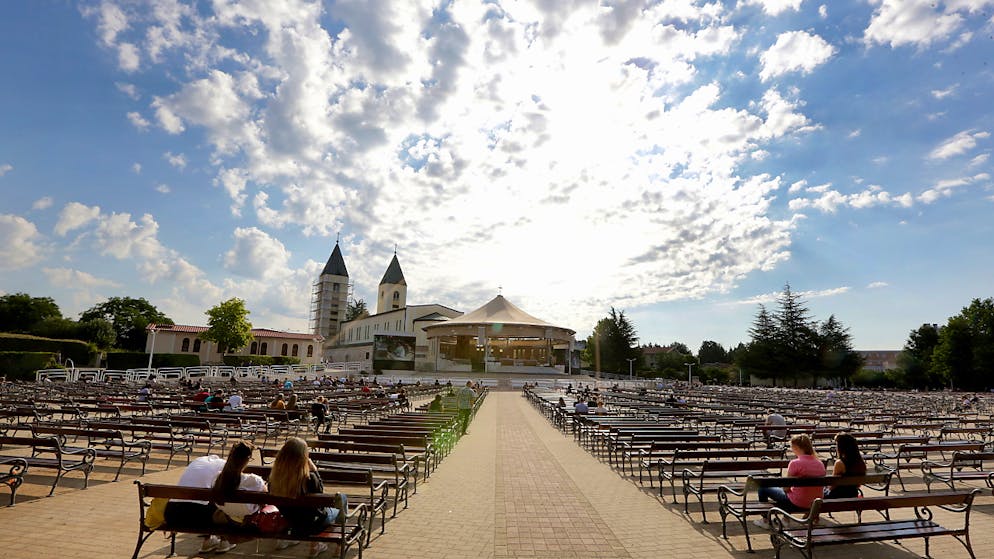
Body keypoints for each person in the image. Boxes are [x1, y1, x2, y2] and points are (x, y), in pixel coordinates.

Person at [165, 441, 265, 554]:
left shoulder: (203, 465)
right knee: (217, 509)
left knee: (213, 502)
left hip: (171, 513)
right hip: (199, 516)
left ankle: (208, 541)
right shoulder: (225, 471)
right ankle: (224, 541)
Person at [268, 437, 347, 558]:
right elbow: (320, 491)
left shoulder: (274, 480)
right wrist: (315, 470)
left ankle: (316, 546)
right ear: (303, 457)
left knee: (309, 511)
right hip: (315, 524)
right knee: (342, 498)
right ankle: (339, 545)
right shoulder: (308, 478)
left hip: (292, 522)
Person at [754, 434, 826, 529]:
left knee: (763, 487)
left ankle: (765, 520)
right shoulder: (819, 463)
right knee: (791, 492)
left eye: (792, 447)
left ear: (796, 447)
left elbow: (786, 488)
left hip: (796, 503)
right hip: (814, 503)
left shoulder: (795, 463)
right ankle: (785, 519)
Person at [825, 433, 866, 499]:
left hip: (836, 496)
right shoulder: (860, 462)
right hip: (853, 494)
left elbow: (832, 486)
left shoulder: (840, 463)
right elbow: (858, 485)